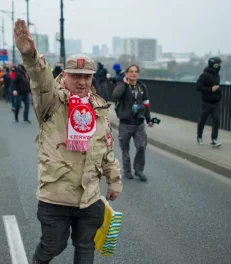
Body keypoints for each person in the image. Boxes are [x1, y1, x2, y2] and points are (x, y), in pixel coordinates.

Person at [14, 19, 122, 264]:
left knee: (85, 248)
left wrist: (113, 181)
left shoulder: (99, 108)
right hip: (56, 195)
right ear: (65, 76)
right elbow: (40, 80)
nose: (82, 82)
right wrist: (30, 55)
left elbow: (107, 148)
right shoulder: (52, 101)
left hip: (90, 196)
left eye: (87, 76)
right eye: (76, 75)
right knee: (54, 245)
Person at [112, 64, 152, 182]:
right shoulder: (122, 86)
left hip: (139, 122)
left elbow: (146, 104)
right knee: (125, 149)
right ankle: (127, 170)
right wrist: (124, 83)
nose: (133, 74)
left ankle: (139, 170)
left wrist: (148, 119)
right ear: (126, 73)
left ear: (138, 73)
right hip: (125, 123)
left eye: (135, 72)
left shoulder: (142, 87)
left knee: (141, 146)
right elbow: (115, 95)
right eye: (131, 71)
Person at [196, 57, 222, 147]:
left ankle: (214, 139)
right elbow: (198, 86)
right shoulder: (205, 75)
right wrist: (210, 89)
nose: (220, 66)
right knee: (203, 120)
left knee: (216, 120)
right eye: (219, 64)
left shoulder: (217, 76)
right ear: (214, 65)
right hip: (206, 102)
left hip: (216, 102)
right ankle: (199, 136)